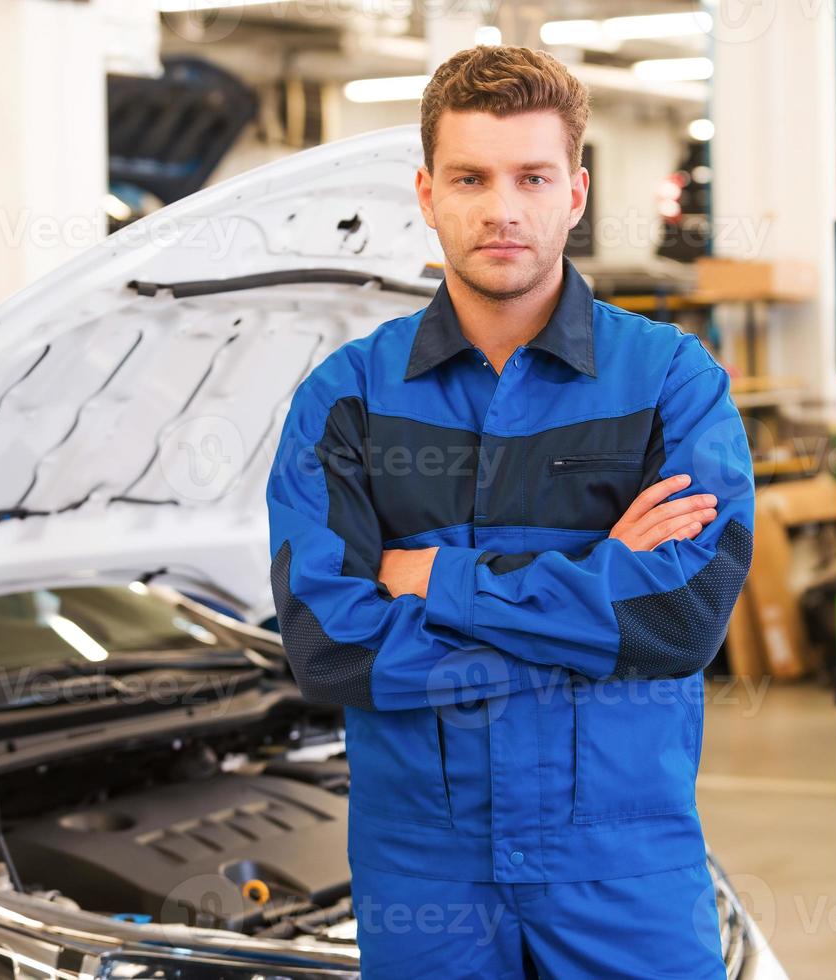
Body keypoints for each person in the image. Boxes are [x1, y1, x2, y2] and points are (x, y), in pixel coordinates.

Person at [264, 44, 756, 978]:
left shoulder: (669, 382)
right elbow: (328, 643)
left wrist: (435, 577)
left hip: (621, 862)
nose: (501, 208)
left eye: (531, 176)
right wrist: (588, 614)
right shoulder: (348, 399)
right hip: (423, 869)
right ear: (426, 192)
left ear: (573, 193)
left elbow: (677, 619)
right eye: (469, 177)